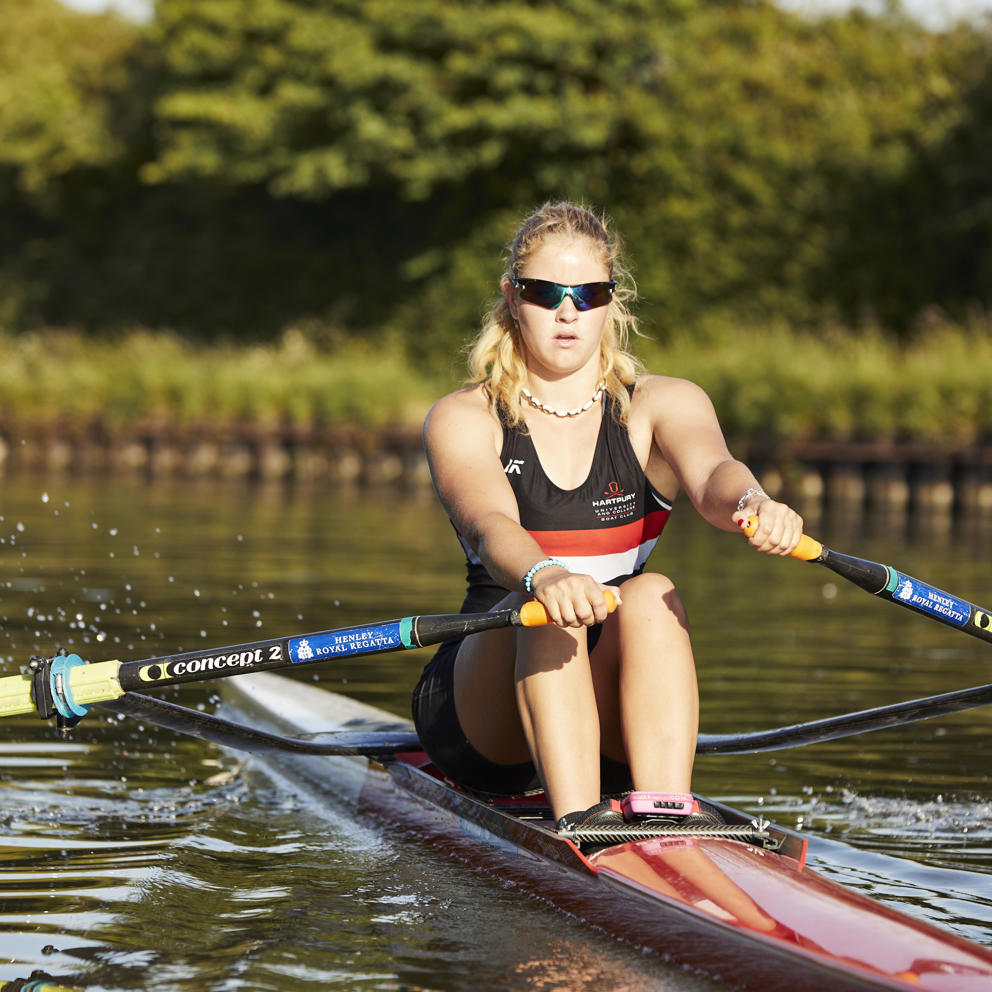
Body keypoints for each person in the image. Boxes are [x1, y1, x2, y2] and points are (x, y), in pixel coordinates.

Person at [412, 202, 803, 837]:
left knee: (652, 592)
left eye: (587, 294)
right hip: (487, 715)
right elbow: (490, 523)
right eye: (546, 293)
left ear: (609, 301)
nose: (568, 312)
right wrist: (544, 574)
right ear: (513, 297)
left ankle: (668, 815)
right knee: (548, 606)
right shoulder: (465, 417)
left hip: (605, 688)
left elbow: (712, 476)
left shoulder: (662, 404)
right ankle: (578, 826)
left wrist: (751, 503)